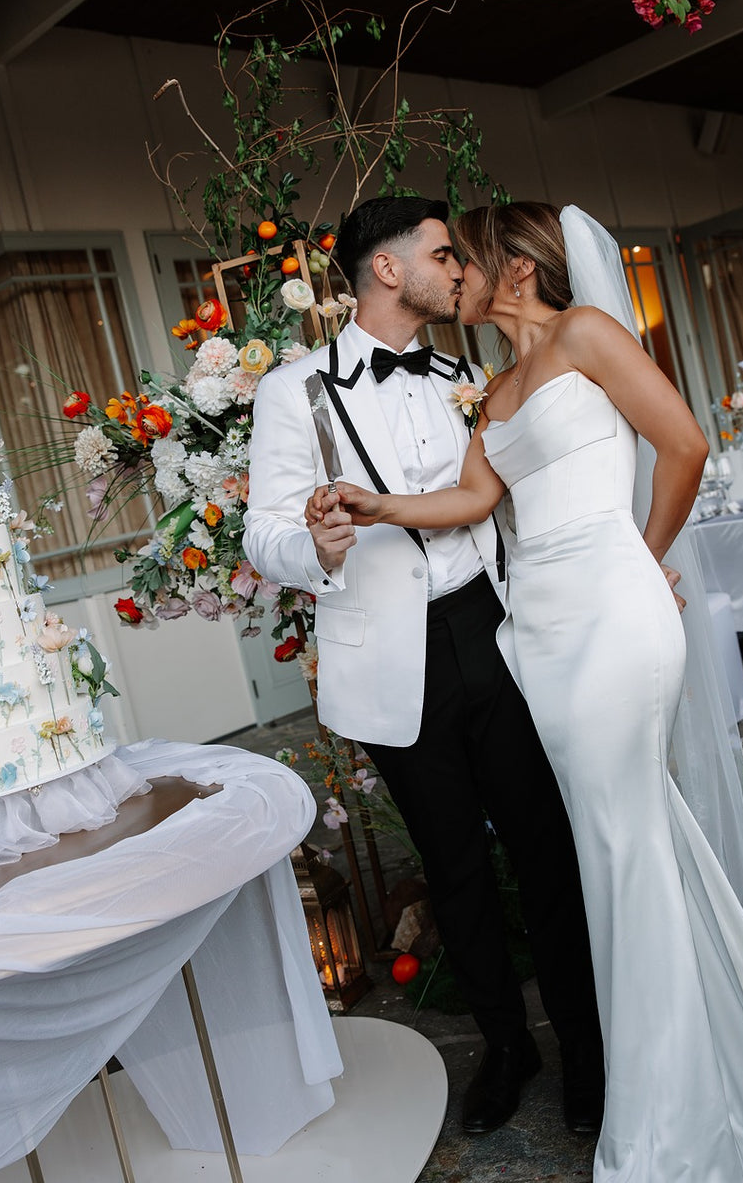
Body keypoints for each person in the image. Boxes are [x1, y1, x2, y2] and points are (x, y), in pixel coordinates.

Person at [307, 201, 743, 1181]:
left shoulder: (586, 334)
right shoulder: (491, 391)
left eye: (464, 257)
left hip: (613, 612)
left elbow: (684, 444)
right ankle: (686, 1056)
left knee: (621, 838)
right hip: (541, 633)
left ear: (515, 272)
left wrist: (636, 557)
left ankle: (670, 1104)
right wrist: (378, 504)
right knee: (621, 839)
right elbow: (476, 501)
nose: (453, 274)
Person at [244, 196, 605, 1136]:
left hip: (493, 629)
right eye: (443, 255)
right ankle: (506, 1045)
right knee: (454, 868)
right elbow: (264, 532)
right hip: (388, 658)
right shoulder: (296, 390)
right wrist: (315, 546)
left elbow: (508, 496)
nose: (460, 270)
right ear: (388, 270)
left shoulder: (468, 370)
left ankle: (587, 1048)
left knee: (545, 847)